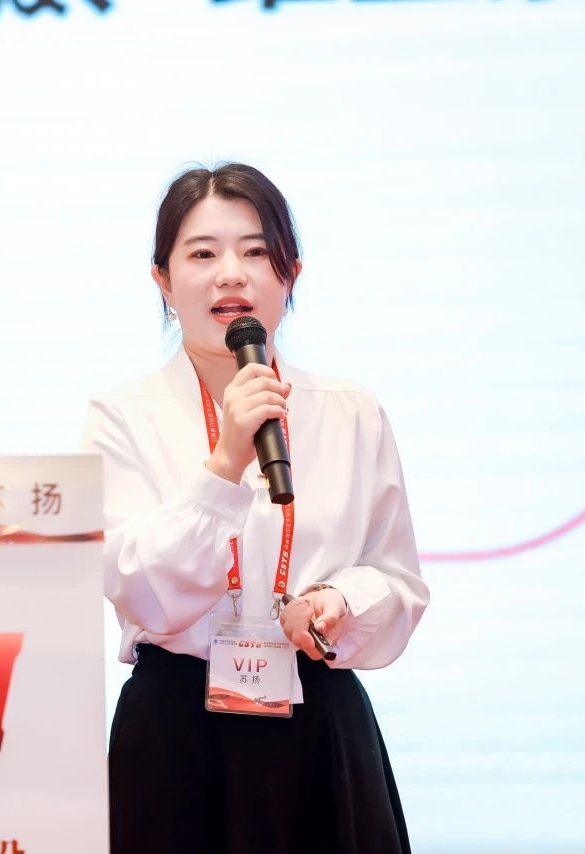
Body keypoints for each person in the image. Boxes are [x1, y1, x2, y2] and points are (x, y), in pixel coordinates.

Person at [80, 163, 430, 853]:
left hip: (318, 724)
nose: (231, 275)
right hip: (174, 735)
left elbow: (399, 580)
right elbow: (138, 589)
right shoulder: (120, 416)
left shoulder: (350, 411)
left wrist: (342, 601)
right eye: (202, 254)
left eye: (256, 252)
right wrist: (225, 463)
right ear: (162, 280)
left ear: (290, 273)